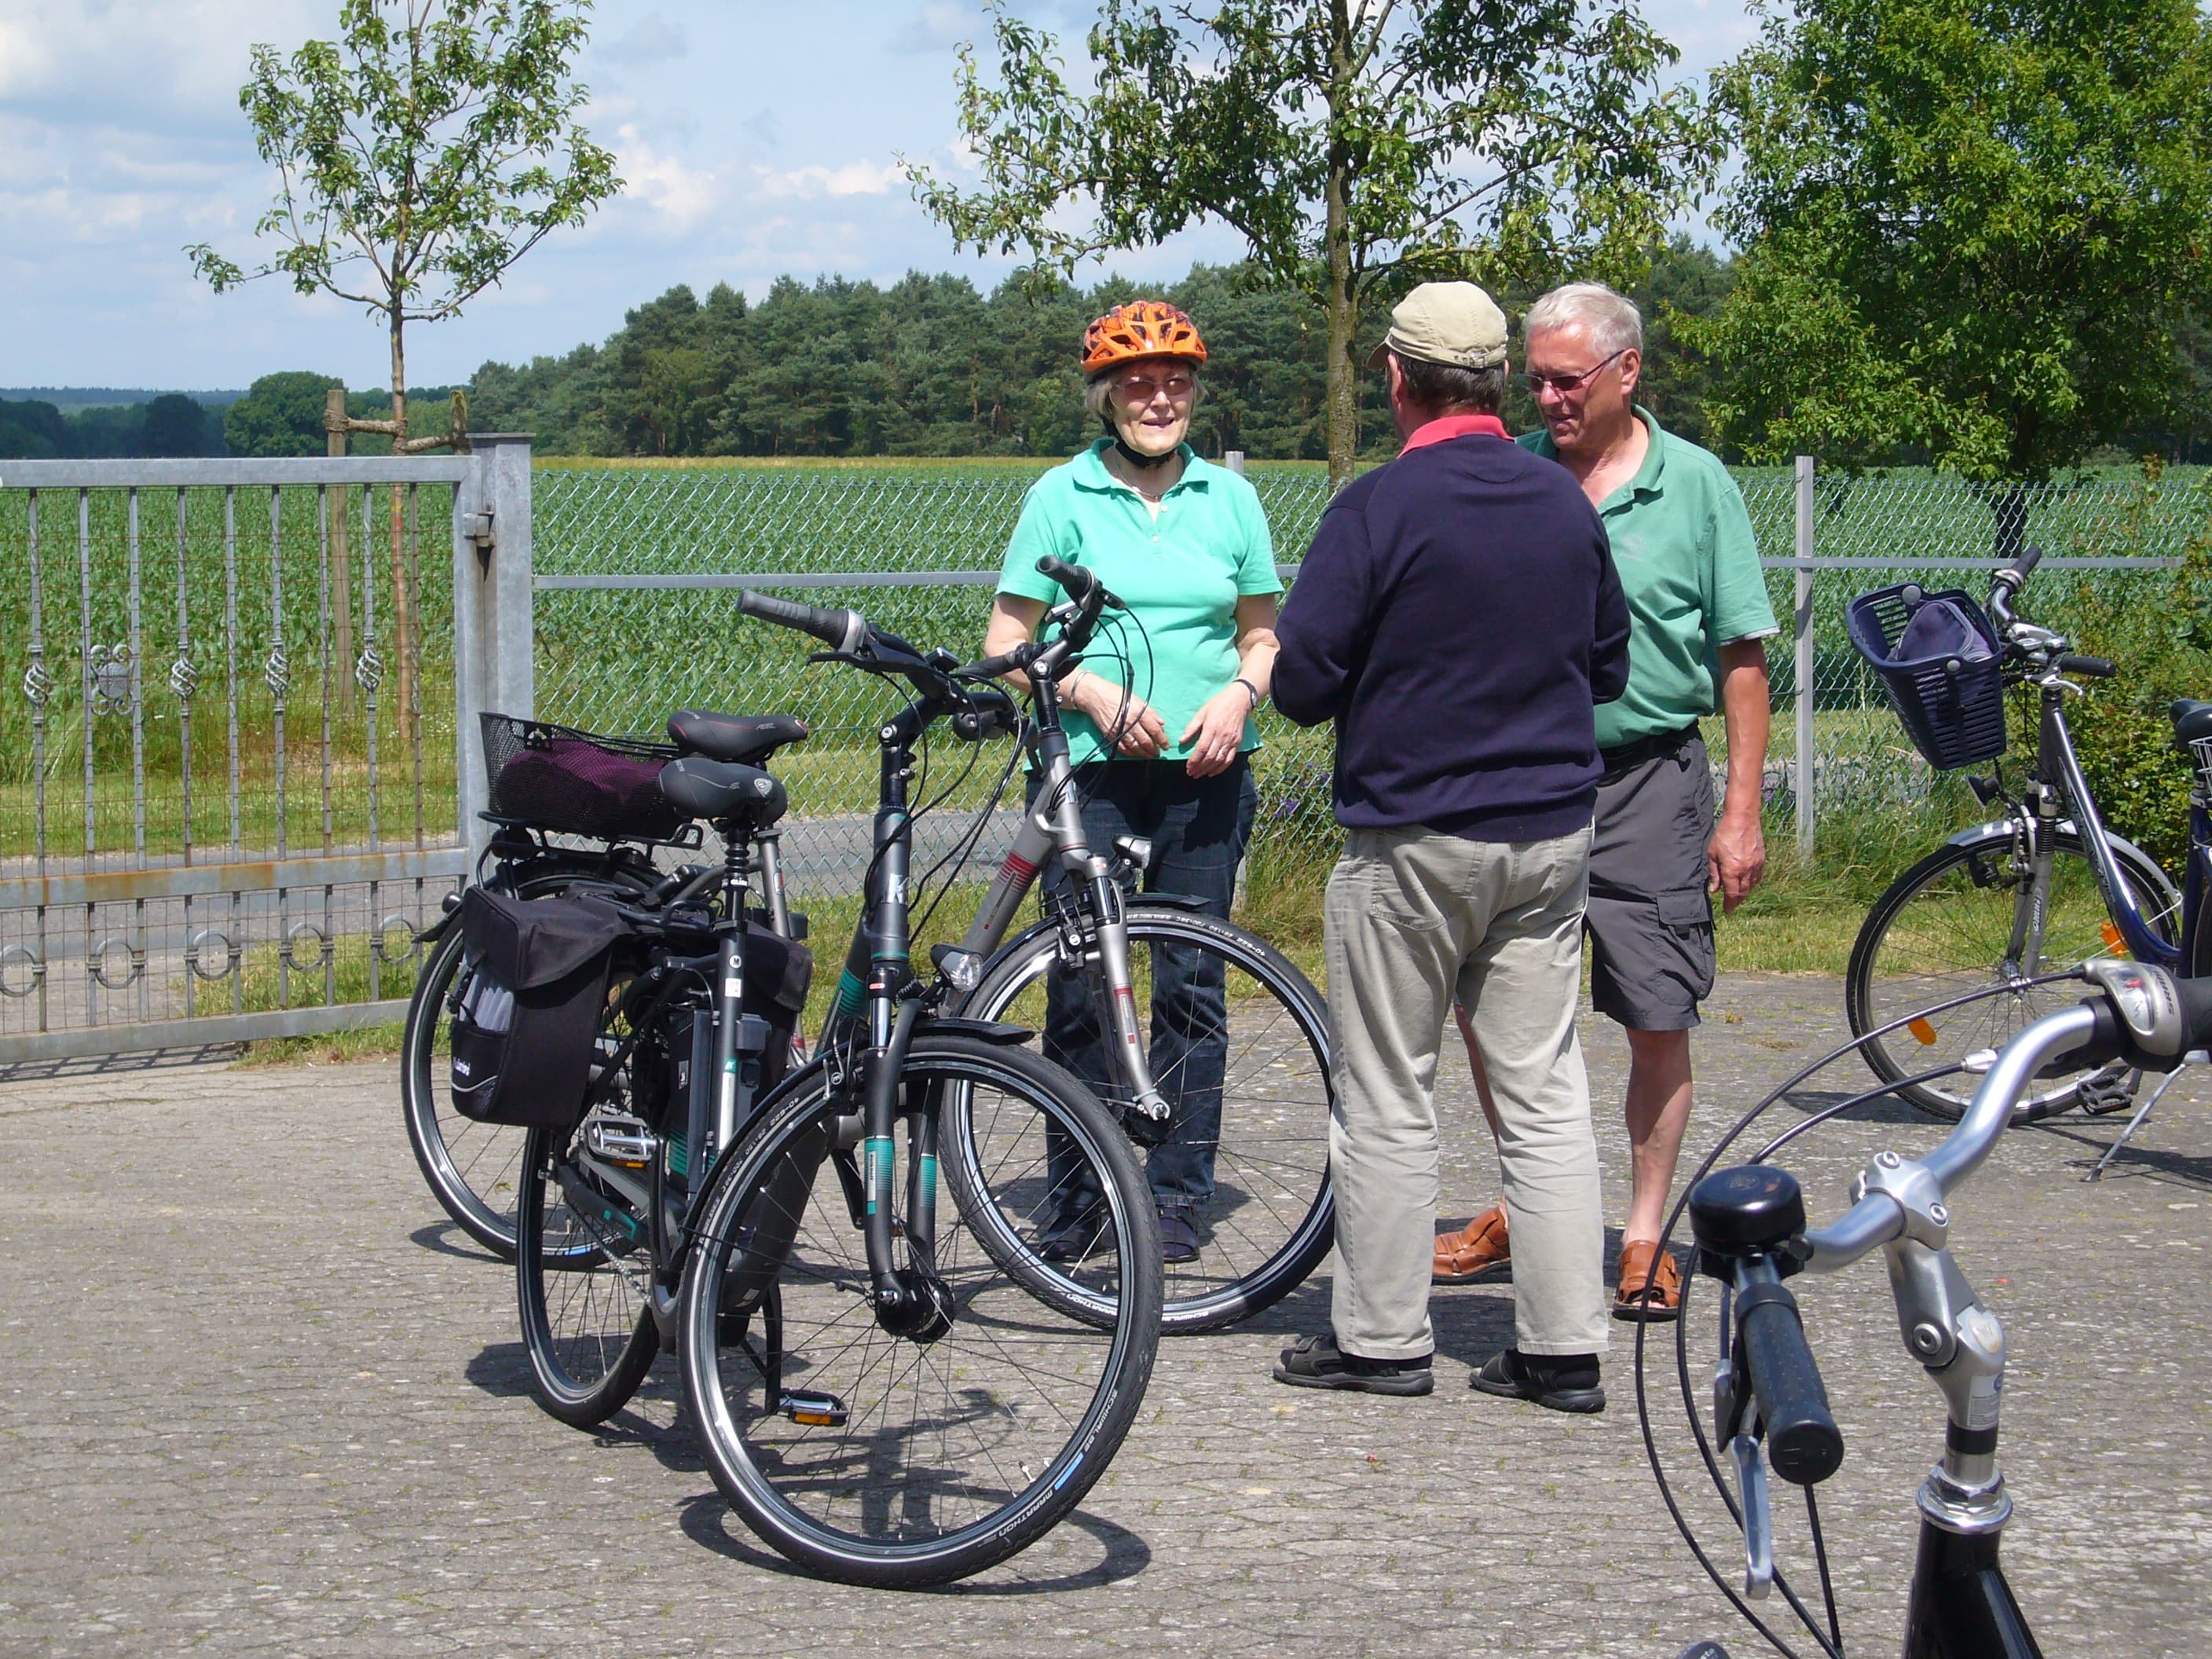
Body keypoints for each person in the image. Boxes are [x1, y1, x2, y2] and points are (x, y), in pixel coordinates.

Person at [1268, 281, 1631, 1409]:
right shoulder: (1564, 505)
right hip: (1550, 839)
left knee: (1388, 1090)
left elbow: (1304, 685)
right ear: (1501, 381)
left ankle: (1381, 1340)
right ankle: (1564, 1349)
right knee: (1544, 1090)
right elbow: (1608, 666)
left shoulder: (1376, 510)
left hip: (1413, 842)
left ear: (1394, 376)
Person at [1433, 281, 1777, 1321]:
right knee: (1492, 1011)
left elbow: (1742, 658)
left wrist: (1742, 811)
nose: (1546, 398)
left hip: (1650, 784)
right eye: (1533, 378)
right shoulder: (1519, 474)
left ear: (1629, 371)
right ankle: (1523, 1207)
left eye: (1567, 379)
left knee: (1657, 1007)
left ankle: (1641, 1234)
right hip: (1520, 781)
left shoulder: (1698, 485)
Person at [980, 299, 1283, 1265]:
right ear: (1105, 397)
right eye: (1139, 386)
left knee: (1190, 985)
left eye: (1176, 384)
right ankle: (1076, 1197)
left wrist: (1240, 695)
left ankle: (1176, 1198)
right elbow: (1005, 639)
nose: (1160, 401)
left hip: (1205, 771)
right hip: (1089, 776)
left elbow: (1262, 633)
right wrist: (1090, 690)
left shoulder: (1229, 500)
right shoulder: (1060, 495)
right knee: (1076, 986)